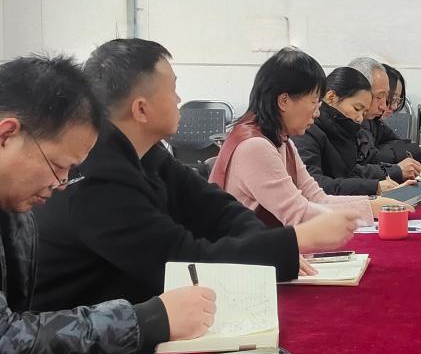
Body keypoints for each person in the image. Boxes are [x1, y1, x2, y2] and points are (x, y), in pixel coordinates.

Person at [33, 40, 367, 313]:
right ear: (141, 109)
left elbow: (219, 209)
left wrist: (278, 250)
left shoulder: (148, 154)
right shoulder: (97, 180)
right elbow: (182, 260)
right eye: (173, 89)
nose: (180, 99)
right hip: (96, 345)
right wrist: (294, 241)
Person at [0, 56, 213, 354]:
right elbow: (5, 340)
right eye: (57, 167)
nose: (60, 185)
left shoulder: (16, 208)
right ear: (6, 135)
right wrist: (150, 319)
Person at [210, 48, 409, 228]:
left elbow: (317, 198)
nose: (317, 112)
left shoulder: (283, 140)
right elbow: (298, 214)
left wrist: (372, 203)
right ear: (284, 101)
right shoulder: (255, 146)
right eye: (314, 102)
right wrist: (371, 208)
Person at [293, 67, 412, 196]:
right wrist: (374, 186)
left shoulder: (343, 127)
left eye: (363, 112)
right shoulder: (306, 130)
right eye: (357, 109)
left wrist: (389, 175)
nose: (360, 118)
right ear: (331, 97)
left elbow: (351, 171)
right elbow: (313, 185)